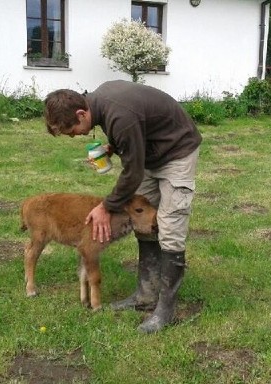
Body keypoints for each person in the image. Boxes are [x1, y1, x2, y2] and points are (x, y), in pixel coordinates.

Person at [43, 80, 202, 333]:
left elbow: (133, 173)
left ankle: (165, 311)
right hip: (151, 152)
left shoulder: (119, 113)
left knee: (169, 227)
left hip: (176, 151)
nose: (75, 135)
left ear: (81, 114)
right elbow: (135, 131)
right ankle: (145, 296)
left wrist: (106, 206)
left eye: (72, 130)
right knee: (143, 222)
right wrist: (113, 147)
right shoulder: (101, 105)